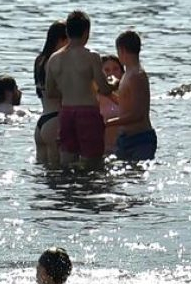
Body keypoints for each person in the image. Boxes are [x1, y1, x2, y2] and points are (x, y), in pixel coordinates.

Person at [44, 10, 114, 169]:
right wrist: (114, 82)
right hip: (88, 113)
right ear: (86, 32)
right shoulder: (91, 57)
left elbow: (50, 92)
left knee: (67, 161)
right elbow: (104, 89)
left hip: (66, 113)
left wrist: (68, 89)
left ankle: (69, 191)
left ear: (67, 31)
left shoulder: (54, 59)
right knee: (94, 164)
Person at [106, 30, 156, 162]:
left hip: (140, 139)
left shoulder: (136, 75)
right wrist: (108, 93)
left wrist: (107, 123)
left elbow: (137, 114)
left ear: (121, 50)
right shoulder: (128, 73)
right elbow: (125, 104)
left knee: (136, 179)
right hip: (125, 138)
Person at [33, 20, 68, 168]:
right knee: (58, 173)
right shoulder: (56, 61)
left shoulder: (39, 60)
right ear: (61, 40)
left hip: (41, 123)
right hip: (55, 120)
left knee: (43, 173)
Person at [98, 54, 124, 153]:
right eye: (107, 70)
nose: (111, 74)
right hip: (103, 147)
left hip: (124, 145)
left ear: (122, 72)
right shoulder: (96, 95)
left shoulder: (128, 92)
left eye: (116, 69)